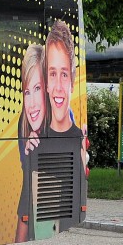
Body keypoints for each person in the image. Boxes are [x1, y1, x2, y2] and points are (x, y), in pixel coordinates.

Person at [43, 19, 89, 171]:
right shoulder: (35, 141)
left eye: (64, 74)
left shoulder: (78, 141)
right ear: (46, 83)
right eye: (52, 74)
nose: (57, 87)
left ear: (73, 82)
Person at [16, 43, 46, 242]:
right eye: (27, 92)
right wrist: (28, 160)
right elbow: (25, 211)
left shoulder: (59, 128)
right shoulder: (24, 125)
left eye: (37, 88)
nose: (32, 103)